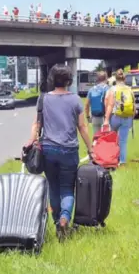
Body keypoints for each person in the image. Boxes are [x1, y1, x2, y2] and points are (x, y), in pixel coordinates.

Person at [25, 64, 92, 240]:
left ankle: (56, 223)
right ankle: (64, 219)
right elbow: (82, 127)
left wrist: (30, 142)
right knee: (67, 189)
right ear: (69, 81)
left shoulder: (43, 100)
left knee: (53, 188)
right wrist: (90, 149)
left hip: (48, 150)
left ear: (51, 80)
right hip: (69, 151)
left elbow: (36, 125)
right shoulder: (75, 99)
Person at [103, 70, 136, 166]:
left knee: (113, 139)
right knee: (123, 141)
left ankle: (113, 159)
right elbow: (134, 105)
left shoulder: (112, 89)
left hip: (115, 117)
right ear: (124, 79)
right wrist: (132, 117)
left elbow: (109, 105)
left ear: (115, 79)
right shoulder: (129, 89)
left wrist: (106, 119)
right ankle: (122, 161)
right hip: (127, 117)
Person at [85, 71, 109, 135]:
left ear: (97, 79)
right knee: (105, 138)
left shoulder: (92, 89)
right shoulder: (108, 89)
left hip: (94, 117)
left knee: (96, 137)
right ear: (106, 78)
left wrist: (87, 117)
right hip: (105, 117)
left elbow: (87, 105)